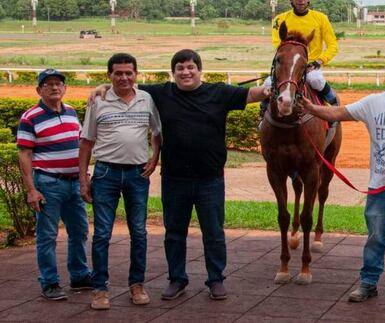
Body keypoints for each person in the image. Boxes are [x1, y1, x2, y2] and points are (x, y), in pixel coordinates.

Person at [92, 49, 270, 301]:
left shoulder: (219, 92)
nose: (185, 72)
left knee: (214, 232)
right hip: (174, 179)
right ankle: (177, 279)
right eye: (180, 68)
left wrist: (272, 89)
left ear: (199, 70)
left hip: (210, 179)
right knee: (174, 233)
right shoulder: (161, 93)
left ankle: (216, 279)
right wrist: (101, 86)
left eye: (190, 67)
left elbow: (252, 94)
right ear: (173, 73)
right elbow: (126, 83)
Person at [300, 58, 385, 305]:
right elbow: (338, 112)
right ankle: (368, 282)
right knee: (376, 237)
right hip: (381, 188)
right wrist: (312, 109)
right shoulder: (373, 102)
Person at [79, 53, 162, 310]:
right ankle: (100, 289)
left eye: (129, 73)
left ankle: (137, 285)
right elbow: (86, 141)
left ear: (136, 74)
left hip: (138, 175)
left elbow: (157, 132)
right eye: (118, 73)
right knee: (102, 233)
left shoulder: (146, 99)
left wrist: (154, 157)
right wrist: (83, 177)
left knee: (139, 232)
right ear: (109, 76)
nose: (124, 77)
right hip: (106, 174)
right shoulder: (98, 100)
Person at [17, 69, 93, 300]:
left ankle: (79, 275)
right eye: (48, 84)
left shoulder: (70, 112)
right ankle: (49, 282)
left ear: (65, 88)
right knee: (47, 236)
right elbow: (24, 156)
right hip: (48, 183)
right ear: (39, 89)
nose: (54, 88)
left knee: (79, 231)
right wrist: (32, 189)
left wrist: (83, 177)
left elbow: (79, 146)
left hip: (72, 183)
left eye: (58, 83)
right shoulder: (30, 118)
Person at [261, 0, 339, 116]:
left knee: (315, 80)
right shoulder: (279, 20)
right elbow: (278, 44)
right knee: (267, 84)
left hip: (310, 68)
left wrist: (318, 61)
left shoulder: (321, 18)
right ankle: (263, 114)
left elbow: (333, 46)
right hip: (288, 66)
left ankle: (333, 107)